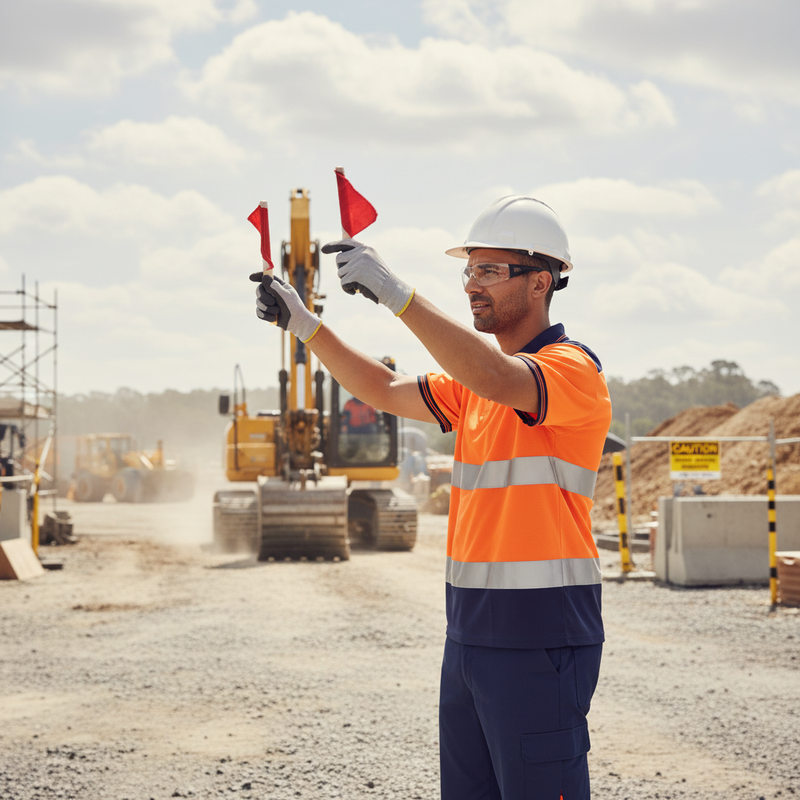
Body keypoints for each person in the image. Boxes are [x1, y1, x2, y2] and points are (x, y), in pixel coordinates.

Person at [251, 195, 612, 800]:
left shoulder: (570, 370)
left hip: (540, 630)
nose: (474, 285)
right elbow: (386, 388)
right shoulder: (474, 389)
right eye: (470, 271)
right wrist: (305, 325)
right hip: (469, 630)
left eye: (491, 271)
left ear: (542, 281)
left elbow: (501, 379)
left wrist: (398, 295)